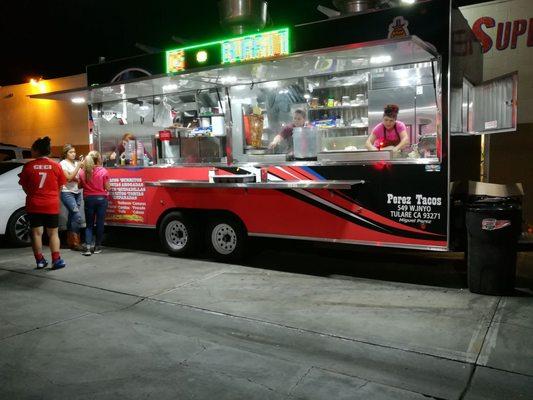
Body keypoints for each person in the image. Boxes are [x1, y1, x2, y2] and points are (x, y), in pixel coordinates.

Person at [18, 137, 67, 270]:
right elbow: (60, 186)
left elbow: (24, 186)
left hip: (34, 204)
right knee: (53, 233)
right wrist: (53, 196)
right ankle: (56, 260)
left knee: (36, 233)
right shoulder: (56, 166)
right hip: (51, 204)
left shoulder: (28, 166)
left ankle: (40, 260)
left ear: (36, 151)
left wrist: (32, 194)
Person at [79, 151, 110, 256]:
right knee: (100, 223)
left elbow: (79, 186)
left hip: (88, 199)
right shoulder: (103, 171)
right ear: (98, 159)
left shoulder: (83, 172)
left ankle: (88, 248)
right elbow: (107, 187)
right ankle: (97, 247)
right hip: (101, 199)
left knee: (89, 225)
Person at [60, 144, 84, 250]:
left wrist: (80, 167)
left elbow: (77, 177)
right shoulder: (63, 163)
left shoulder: (75, 163)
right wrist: (78, 167)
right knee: (77, 215)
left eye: (74, 152)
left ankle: (70, 241)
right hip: (67, 192)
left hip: (77, 192)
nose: (73, 154)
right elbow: (68, 178)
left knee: (72, 216)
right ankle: (76, 242)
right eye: (71, 152)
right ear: (65, 153)